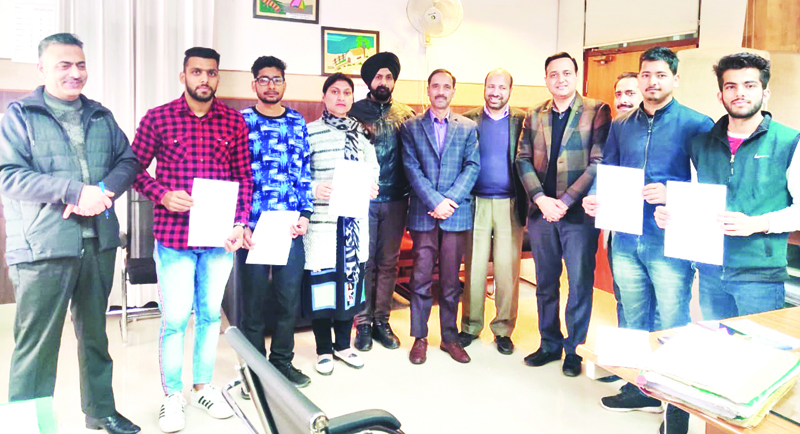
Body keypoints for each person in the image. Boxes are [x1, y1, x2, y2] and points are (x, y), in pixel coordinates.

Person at [0, 32, 141, 434]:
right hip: (42, 247)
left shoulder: (100, 114)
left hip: (98, 243)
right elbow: (8, 176)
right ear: (42, 69)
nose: (75, 72)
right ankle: (29, 426)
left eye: (80, 64)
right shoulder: (20, 115)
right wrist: (74, 192)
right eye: (64, 64)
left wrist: (104, 192)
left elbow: (127, 161)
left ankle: (101, 412)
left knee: (96, 337)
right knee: (36, 347)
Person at [582, 46, 713, 433]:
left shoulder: (698, 124)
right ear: (639, 79)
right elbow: (613, 172)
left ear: (675, 79)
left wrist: (672, 193)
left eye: (660, 75)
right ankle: (638, 388)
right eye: (646, 75)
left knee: (672, 319)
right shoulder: (622, 125)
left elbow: (710, 185)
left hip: (670, 239)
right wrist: (598, 202)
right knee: (631, 316)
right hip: (625, 233)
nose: (652, 82)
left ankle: (674, 403)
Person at [131, 47, 253, 433]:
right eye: (197, 72)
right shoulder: (158, 118)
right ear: (183, 76)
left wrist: (240, 221)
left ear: (218, 77)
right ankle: (172, 396)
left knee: (211, 315)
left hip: (219, 238)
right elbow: (132, 168)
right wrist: (162, 194)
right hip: (174, 237)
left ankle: (203, 386)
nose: (205, 79)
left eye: (211, 73)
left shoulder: (233, 122)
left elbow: (245, 178)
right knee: (175, 319)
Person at [656, 53, 799, 321]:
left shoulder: (789, 141)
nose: (739, 93)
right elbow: (697, 199)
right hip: (710, 272)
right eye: (730, 86)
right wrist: (671, 214)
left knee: (760, 357)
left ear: (765, 93)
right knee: (719, 351)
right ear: (720, 95)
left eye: (750, 85)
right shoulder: (701, 144)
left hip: (760, 276)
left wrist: (759, 223)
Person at [516, 52, 610, 377]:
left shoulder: (597, 111)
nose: (560, 79)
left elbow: (598, 162)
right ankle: (549, 343)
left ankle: (574, 349)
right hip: (541, 212)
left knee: (580, 283)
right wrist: (541, 199)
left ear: (576, 76)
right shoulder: (533, 115)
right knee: (545, 282)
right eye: (553, 74)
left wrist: (566, 201)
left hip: (578, 215)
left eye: (566, 73)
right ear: (546, 79)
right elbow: (522, 159)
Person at [238, 56, 313, 388]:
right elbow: (234, 175)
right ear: (254, 84)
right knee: (253, 304)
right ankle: (255, 371)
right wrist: (241, 222)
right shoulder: (239, 121)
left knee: (288, 301)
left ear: (285, 83)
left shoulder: (297, 122)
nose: (271, 85)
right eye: (264, 79)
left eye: (277, 79)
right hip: (252, 227)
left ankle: (282, 362)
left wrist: (306, 215)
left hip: (289, 226)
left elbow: (304, 173)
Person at [401, 68, 480, 365]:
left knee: (450, 281)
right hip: (423, 213)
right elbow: (411, 169)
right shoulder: (410, 128)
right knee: (420, 279)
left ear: (453, 91)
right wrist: (435, 200)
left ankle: (449, 337)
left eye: (447, 86)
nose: (441, 91)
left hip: (455, 214)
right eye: (435, 86)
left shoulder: (468, 128)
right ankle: (420, 337)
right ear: (428, 90)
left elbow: (472, 166)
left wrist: (449, 200)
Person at [303, 73, 380, 376]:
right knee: (322, 287)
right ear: (324, 97)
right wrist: (313, 188)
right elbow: (298, 174)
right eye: (334, 91)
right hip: (322, 225)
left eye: (346, 92)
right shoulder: (309, 133)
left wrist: (372, 185)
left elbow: (372, 169)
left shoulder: (362, 135)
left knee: (350, 286)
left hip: (353, 226)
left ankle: (343, 346)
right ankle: (324, 348)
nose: (341, 97)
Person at [458, 68, 527, 355]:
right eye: (491, 86)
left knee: (507, 268)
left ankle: (503, 329)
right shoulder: (469, 120)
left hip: (510, 203)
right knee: (473, 268)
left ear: (510, 90)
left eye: (501, 87)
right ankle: (471, 326)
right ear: (484, 88)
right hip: (477, 202)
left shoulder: (523, 120)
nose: (495, 92)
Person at [349, 52, 415, 352]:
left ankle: (382, 321)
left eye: (389, 77)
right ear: (369, 80)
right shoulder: (353, 111)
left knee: (388, 263)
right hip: (363, 200)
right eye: (379, 76)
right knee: (364, 262)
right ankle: (362, 322)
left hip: (397, 199)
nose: (384, 81)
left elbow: (415, 158)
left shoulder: (406, 114)